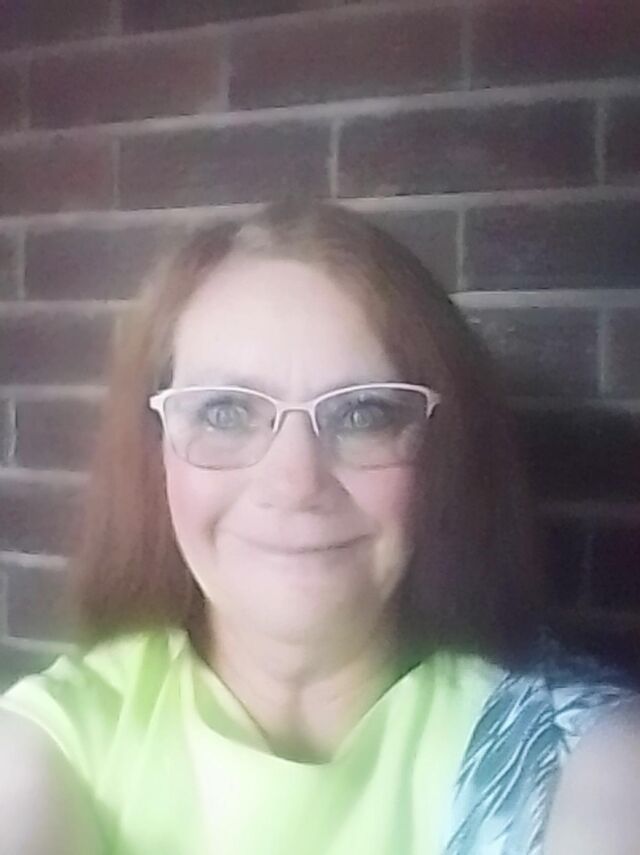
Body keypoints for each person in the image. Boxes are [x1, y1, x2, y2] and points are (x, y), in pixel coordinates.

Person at [0, 200, 638, 854]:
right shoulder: (51, 744)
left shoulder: (580, 762)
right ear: (156, 450)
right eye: (224, 412)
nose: (296, 482)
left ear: (441, 451)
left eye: (363, 414)